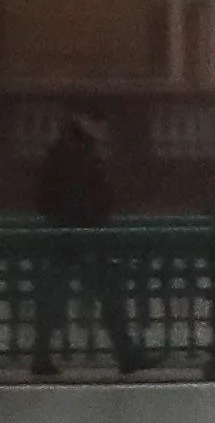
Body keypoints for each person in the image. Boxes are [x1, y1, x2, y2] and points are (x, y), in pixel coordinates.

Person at [27, 115, 150, 378]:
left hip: (63, 233)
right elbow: (93, 196)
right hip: (86, 234)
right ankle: (126, 353)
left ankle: (41, 355)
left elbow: (43, 198)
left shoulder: (61, 154)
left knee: (55, 296)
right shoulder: (81, 157)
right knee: (108, 295)